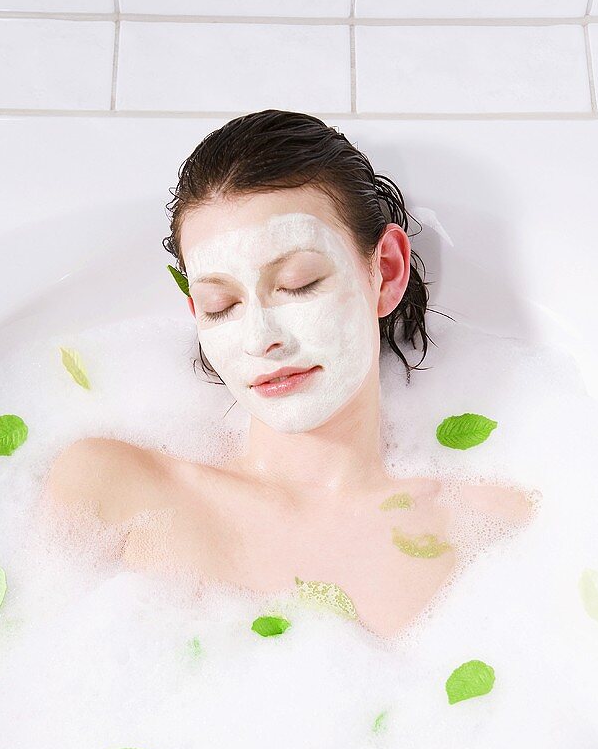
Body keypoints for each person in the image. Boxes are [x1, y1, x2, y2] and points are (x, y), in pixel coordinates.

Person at [42, 109, 539, 640]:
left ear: (386, 271)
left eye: (299, 285)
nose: (260, 339)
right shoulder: (110, 487)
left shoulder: (488, 530)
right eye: (220, 304)